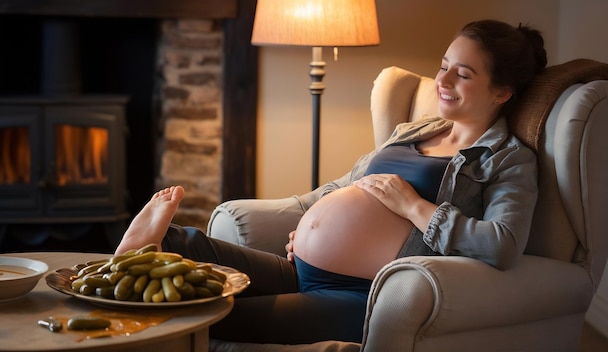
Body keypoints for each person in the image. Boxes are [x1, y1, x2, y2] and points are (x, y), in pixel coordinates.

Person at [116, 19, 547, 344]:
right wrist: (308, 225)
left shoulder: (508, 161)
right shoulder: (416, 130)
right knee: (185, 241)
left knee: (206, 317)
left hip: (357, 294)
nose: (443, 81)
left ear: (502, 92)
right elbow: (346, 185)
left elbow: (503, 244)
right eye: (444, 66)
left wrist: (414, 207)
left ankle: (123, 284)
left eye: (463, 74)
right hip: (300, 268)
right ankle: (137, 252)